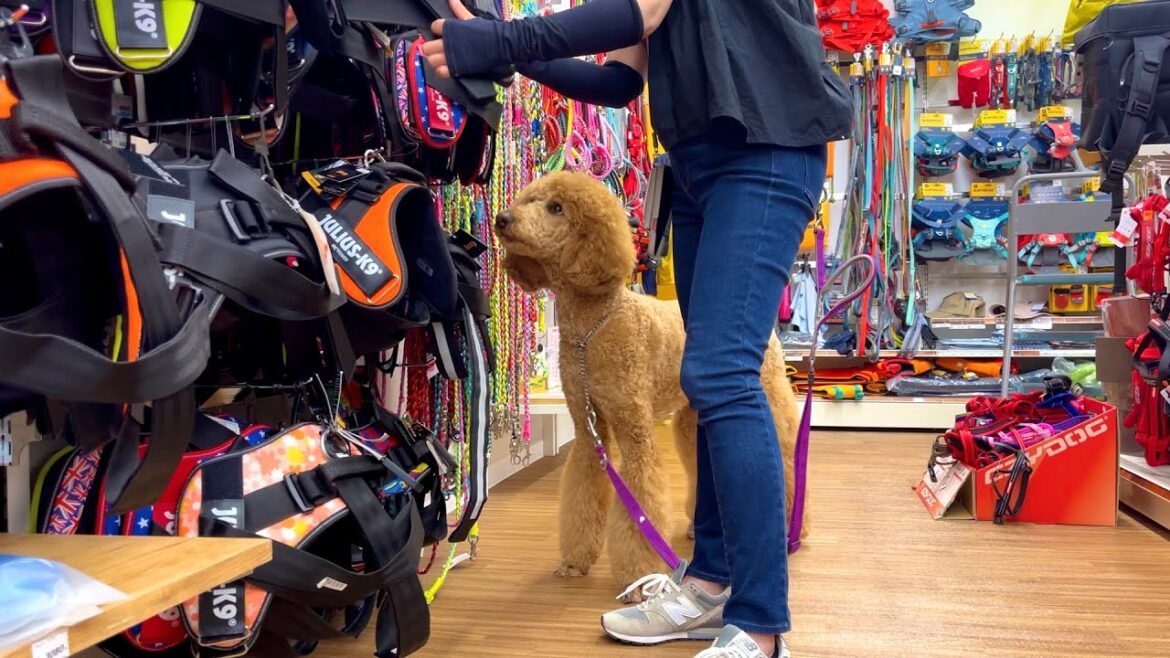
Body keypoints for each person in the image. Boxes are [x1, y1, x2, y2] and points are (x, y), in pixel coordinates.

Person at [423, 1, 851, 656]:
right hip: (697, 165)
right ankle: (711, 586)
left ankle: (761, 625)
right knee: (705, 379)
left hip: (765, 149)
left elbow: (634, 13)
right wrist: (500, 45)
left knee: (723, 373)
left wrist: (495, 42)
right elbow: (617, 81)